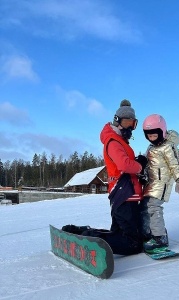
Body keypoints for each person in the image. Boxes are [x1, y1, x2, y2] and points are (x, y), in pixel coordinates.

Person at [62, 100, 148, 256]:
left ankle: (82, 232)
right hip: (125, 195)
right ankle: (88, 239)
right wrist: (140, 165)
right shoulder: (113, 141)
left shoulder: (120, 141)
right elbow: (124, 164)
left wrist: (139, 172)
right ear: (118, 121)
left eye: (133, 123)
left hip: (124, 194)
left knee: (119, 234)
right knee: (133, 243)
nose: (131, 127)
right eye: (128, 122)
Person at [140, 114, 179, 251]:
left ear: (162, 132)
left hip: (162, 183)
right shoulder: (151, 148)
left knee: (154, 207)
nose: (152, 138)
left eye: (155, 135)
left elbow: (174, 165)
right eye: (149, 136)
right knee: (144, 207)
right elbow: (149, 164)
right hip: (152, 182)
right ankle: (151, 232)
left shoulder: (168, 147)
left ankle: (160, 238)